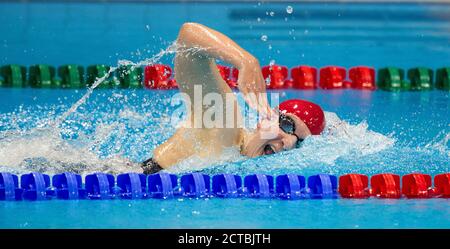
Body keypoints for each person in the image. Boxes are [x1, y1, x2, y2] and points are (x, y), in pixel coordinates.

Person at [141, 23, 325, 174]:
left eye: (300, 142)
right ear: (267, 117)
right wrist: (246, 61)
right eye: (287, 125)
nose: (289, 142)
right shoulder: (224, 123)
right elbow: (188, 35)